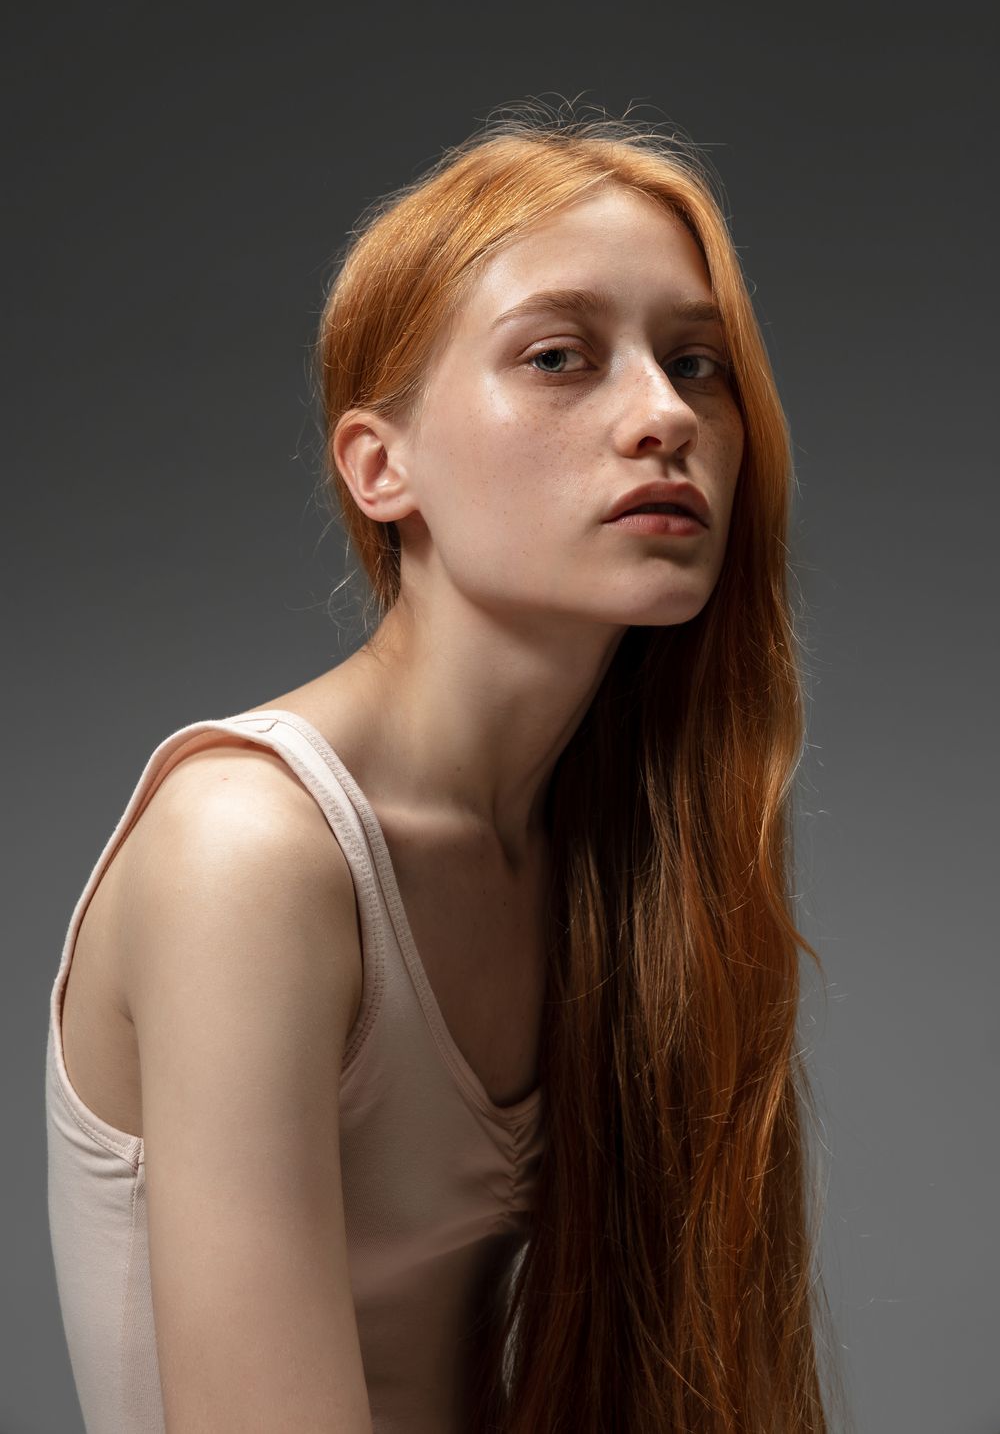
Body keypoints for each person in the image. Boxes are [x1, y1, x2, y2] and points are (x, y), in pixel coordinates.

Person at [46, 101, 851, 1433]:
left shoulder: (606, 852)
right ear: (382, 465)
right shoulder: (248, 849)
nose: (664, 416)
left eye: (698, 364)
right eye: (558, 356)